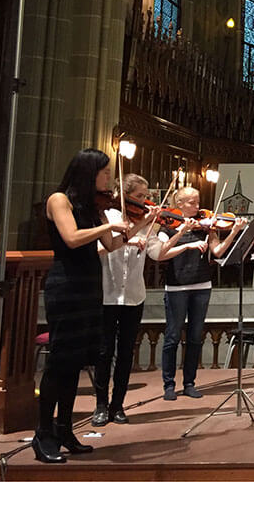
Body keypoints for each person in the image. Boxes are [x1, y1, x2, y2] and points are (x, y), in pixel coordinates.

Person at [36, 149, 131, 463]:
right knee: (59, 362)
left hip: (91, 286)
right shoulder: (58, 200)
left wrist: (139, 225)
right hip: (66, 286)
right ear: (89, 172)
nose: (108, 180)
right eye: (105, 173)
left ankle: (64, 429)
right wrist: (106, 227)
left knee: (76, 362)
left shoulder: (94, 206)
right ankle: (43, 434)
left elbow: (112, 245)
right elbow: (73, 238)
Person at [147, 186, 247, 401]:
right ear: (179, 204)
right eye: (191, 202)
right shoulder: (169, 226)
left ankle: (190, 382)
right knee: (173, 336)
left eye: (198, 201)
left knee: (195, 336)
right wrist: (184, 235)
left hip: (202, 285)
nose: (197, 206)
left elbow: (218, 251)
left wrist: (234, 232)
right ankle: (169, 385)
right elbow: (162, 253)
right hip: (177, 286)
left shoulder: (206, 226)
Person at [93, 173, 159, 426]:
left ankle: (117, 405)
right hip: (108, 292)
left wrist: (154, 235)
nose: (144, 203)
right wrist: (136, 232)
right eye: (139, 197)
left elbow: (156, 253)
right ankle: (100, 404)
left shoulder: (146, 220)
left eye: (146, 197)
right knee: (104, 351)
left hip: (133, 293)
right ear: (125, 195)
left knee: (125, 353)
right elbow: (101, 248)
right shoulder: (108, 217)